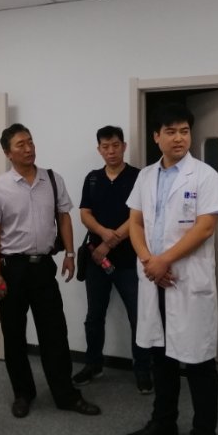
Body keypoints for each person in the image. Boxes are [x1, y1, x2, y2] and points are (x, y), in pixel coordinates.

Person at [123, 103, 218, 435]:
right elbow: (135, 222)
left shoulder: (205, 176)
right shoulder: (145, 176)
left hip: (186, 281)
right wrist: (148, 260)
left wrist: (163, 261)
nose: (179, 138)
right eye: (170, 131)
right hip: (154, 279)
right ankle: (164, 423)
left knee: (199, 362)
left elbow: (205, 227)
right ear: (156, 136)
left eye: (184, 131)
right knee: (161, 357)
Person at [0, 123, 101, 419]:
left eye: (31, 142)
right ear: (8, 153)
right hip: (12, 268)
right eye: (21, 144)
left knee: (55, 333)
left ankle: (65, 394)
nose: (29, 148)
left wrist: (70, 254)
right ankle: (23, 393)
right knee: (14, 334)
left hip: (43, 267)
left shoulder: (52, 179)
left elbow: (64, 218)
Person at [73, 125, 152, 394]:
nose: (111, 151)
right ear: (99, 149)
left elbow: (139, 216)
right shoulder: (93, 178)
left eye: (116, 145)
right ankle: (93, 364)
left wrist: (109, 241)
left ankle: (142, 370)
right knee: (94, 316)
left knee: (138, 317)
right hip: (97, 261)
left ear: (124, 146)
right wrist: (103, 234)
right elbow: (85, 213)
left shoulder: (139, 177)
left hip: (130, 260)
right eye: (105, 147)